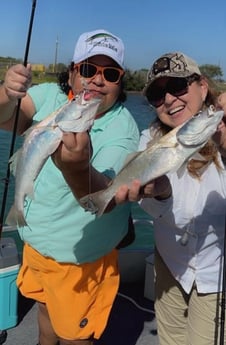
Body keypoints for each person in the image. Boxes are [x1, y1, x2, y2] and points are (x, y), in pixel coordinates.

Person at [0, 29, 139, 345]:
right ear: (74, 72)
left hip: (81, 262)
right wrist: (7, 94)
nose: (98, 80)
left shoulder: (123, 127)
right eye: (89, 69)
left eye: (111, 73)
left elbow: (103, 198)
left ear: (120, 82)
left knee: (76, 336)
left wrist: (76, 167)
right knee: (46, 315)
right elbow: (7, 118)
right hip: (35, 247)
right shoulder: (51, 96)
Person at [115, 52, 226, 345]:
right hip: (170, 264)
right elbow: (149, 202)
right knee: (171, 339)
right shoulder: (150, 138)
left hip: (217, 272)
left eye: (178, 86)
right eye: (156, 93)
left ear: (202, 86)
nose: (169, 99)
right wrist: (161, 193)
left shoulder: (222, 128)